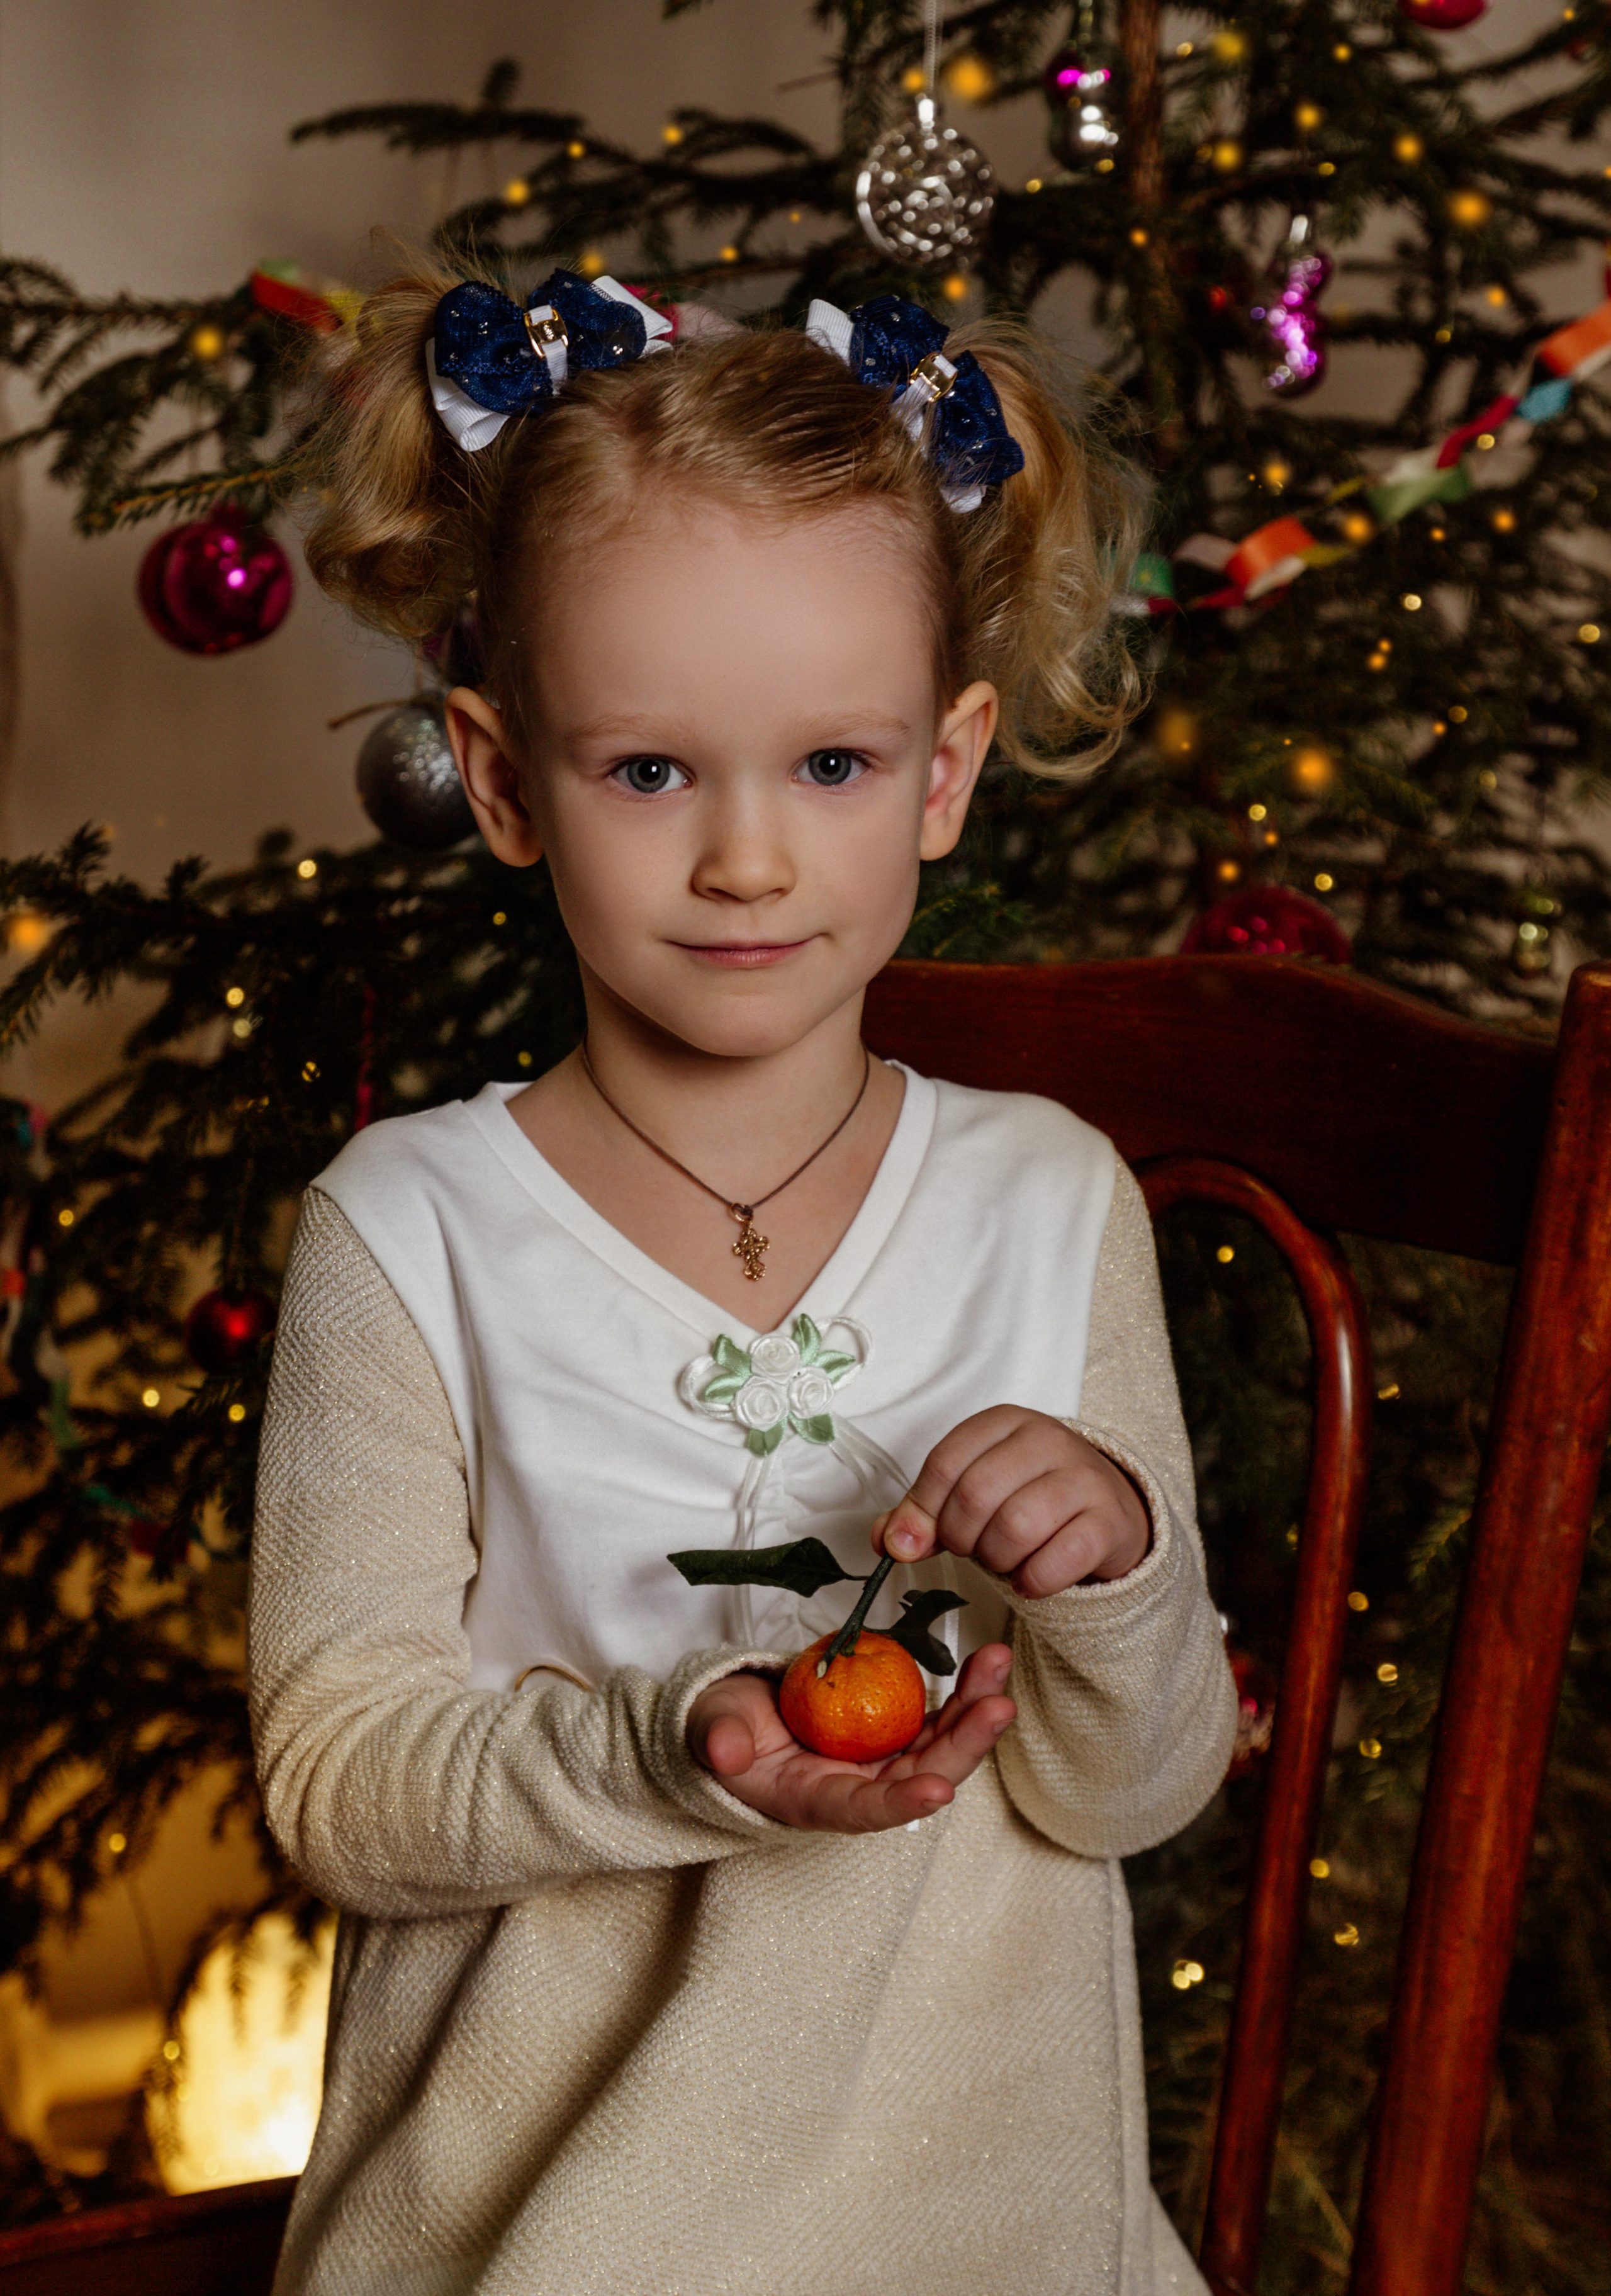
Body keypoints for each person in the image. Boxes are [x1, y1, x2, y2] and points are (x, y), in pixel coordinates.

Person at [248, 254, 1237, 2296]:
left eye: (835, 766)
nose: (748, 860)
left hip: (998, 2243)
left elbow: (1130, 1792)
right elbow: (342, 1789)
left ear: (946, 771)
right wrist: (668, 1741)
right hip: (542, 2241)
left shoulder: (1053, 1204)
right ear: (506, 780)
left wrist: (1119, 1565)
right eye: (647, 771)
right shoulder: (409, 1234)